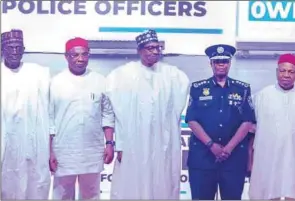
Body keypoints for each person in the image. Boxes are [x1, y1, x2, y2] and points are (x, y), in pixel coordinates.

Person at [106, 29, 190, 199]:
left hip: (162, 143)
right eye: (150, 48)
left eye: (157, 48)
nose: (155, 51)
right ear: (140, 50)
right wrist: (119, 144)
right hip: (133, 144)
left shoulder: (173, 75)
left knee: (162, 182)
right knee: (133, 184)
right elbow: (117, 114)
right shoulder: (122, 76)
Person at [185, 44, 256, 200]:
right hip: (203, 158)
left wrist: (228, 149)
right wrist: (211, 145)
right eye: (217, 62)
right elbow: (191, 120)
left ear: (229, 63)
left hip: (233, 158)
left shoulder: (242, 89)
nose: (221, 65)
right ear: (211, 64)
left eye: (224, 61)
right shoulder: (197, 88)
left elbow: (248, 122)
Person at [49, 37, 115, 200]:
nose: (80, 59)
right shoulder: (56, 82)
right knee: (62, 194)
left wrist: (109, 143)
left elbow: (107, 114)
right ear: (66, 56)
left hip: (92, 150)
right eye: (75, 55)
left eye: (84, 54)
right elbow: (49, 119)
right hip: (64, 150)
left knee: (91, 194)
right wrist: (50, 151)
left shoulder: (100, 81)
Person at [249, 53, 295, 200]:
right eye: (282, 71)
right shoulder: (262, 96)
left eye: (291, 71)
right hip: (267, 157)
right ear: (277, 71)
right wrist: (250, 158)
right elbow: (251, 130)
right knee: (267, 191)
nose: (286, 75)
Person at [1, 29, 51, 199]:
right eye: (10, 48)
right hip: (5, 147)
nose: (14, 52)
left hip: (33, 145)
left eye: (18, 47)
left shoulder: (38, 74)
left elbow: (49, 110)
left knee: (33, 185)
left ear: (23, 49)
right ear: (2, 50)